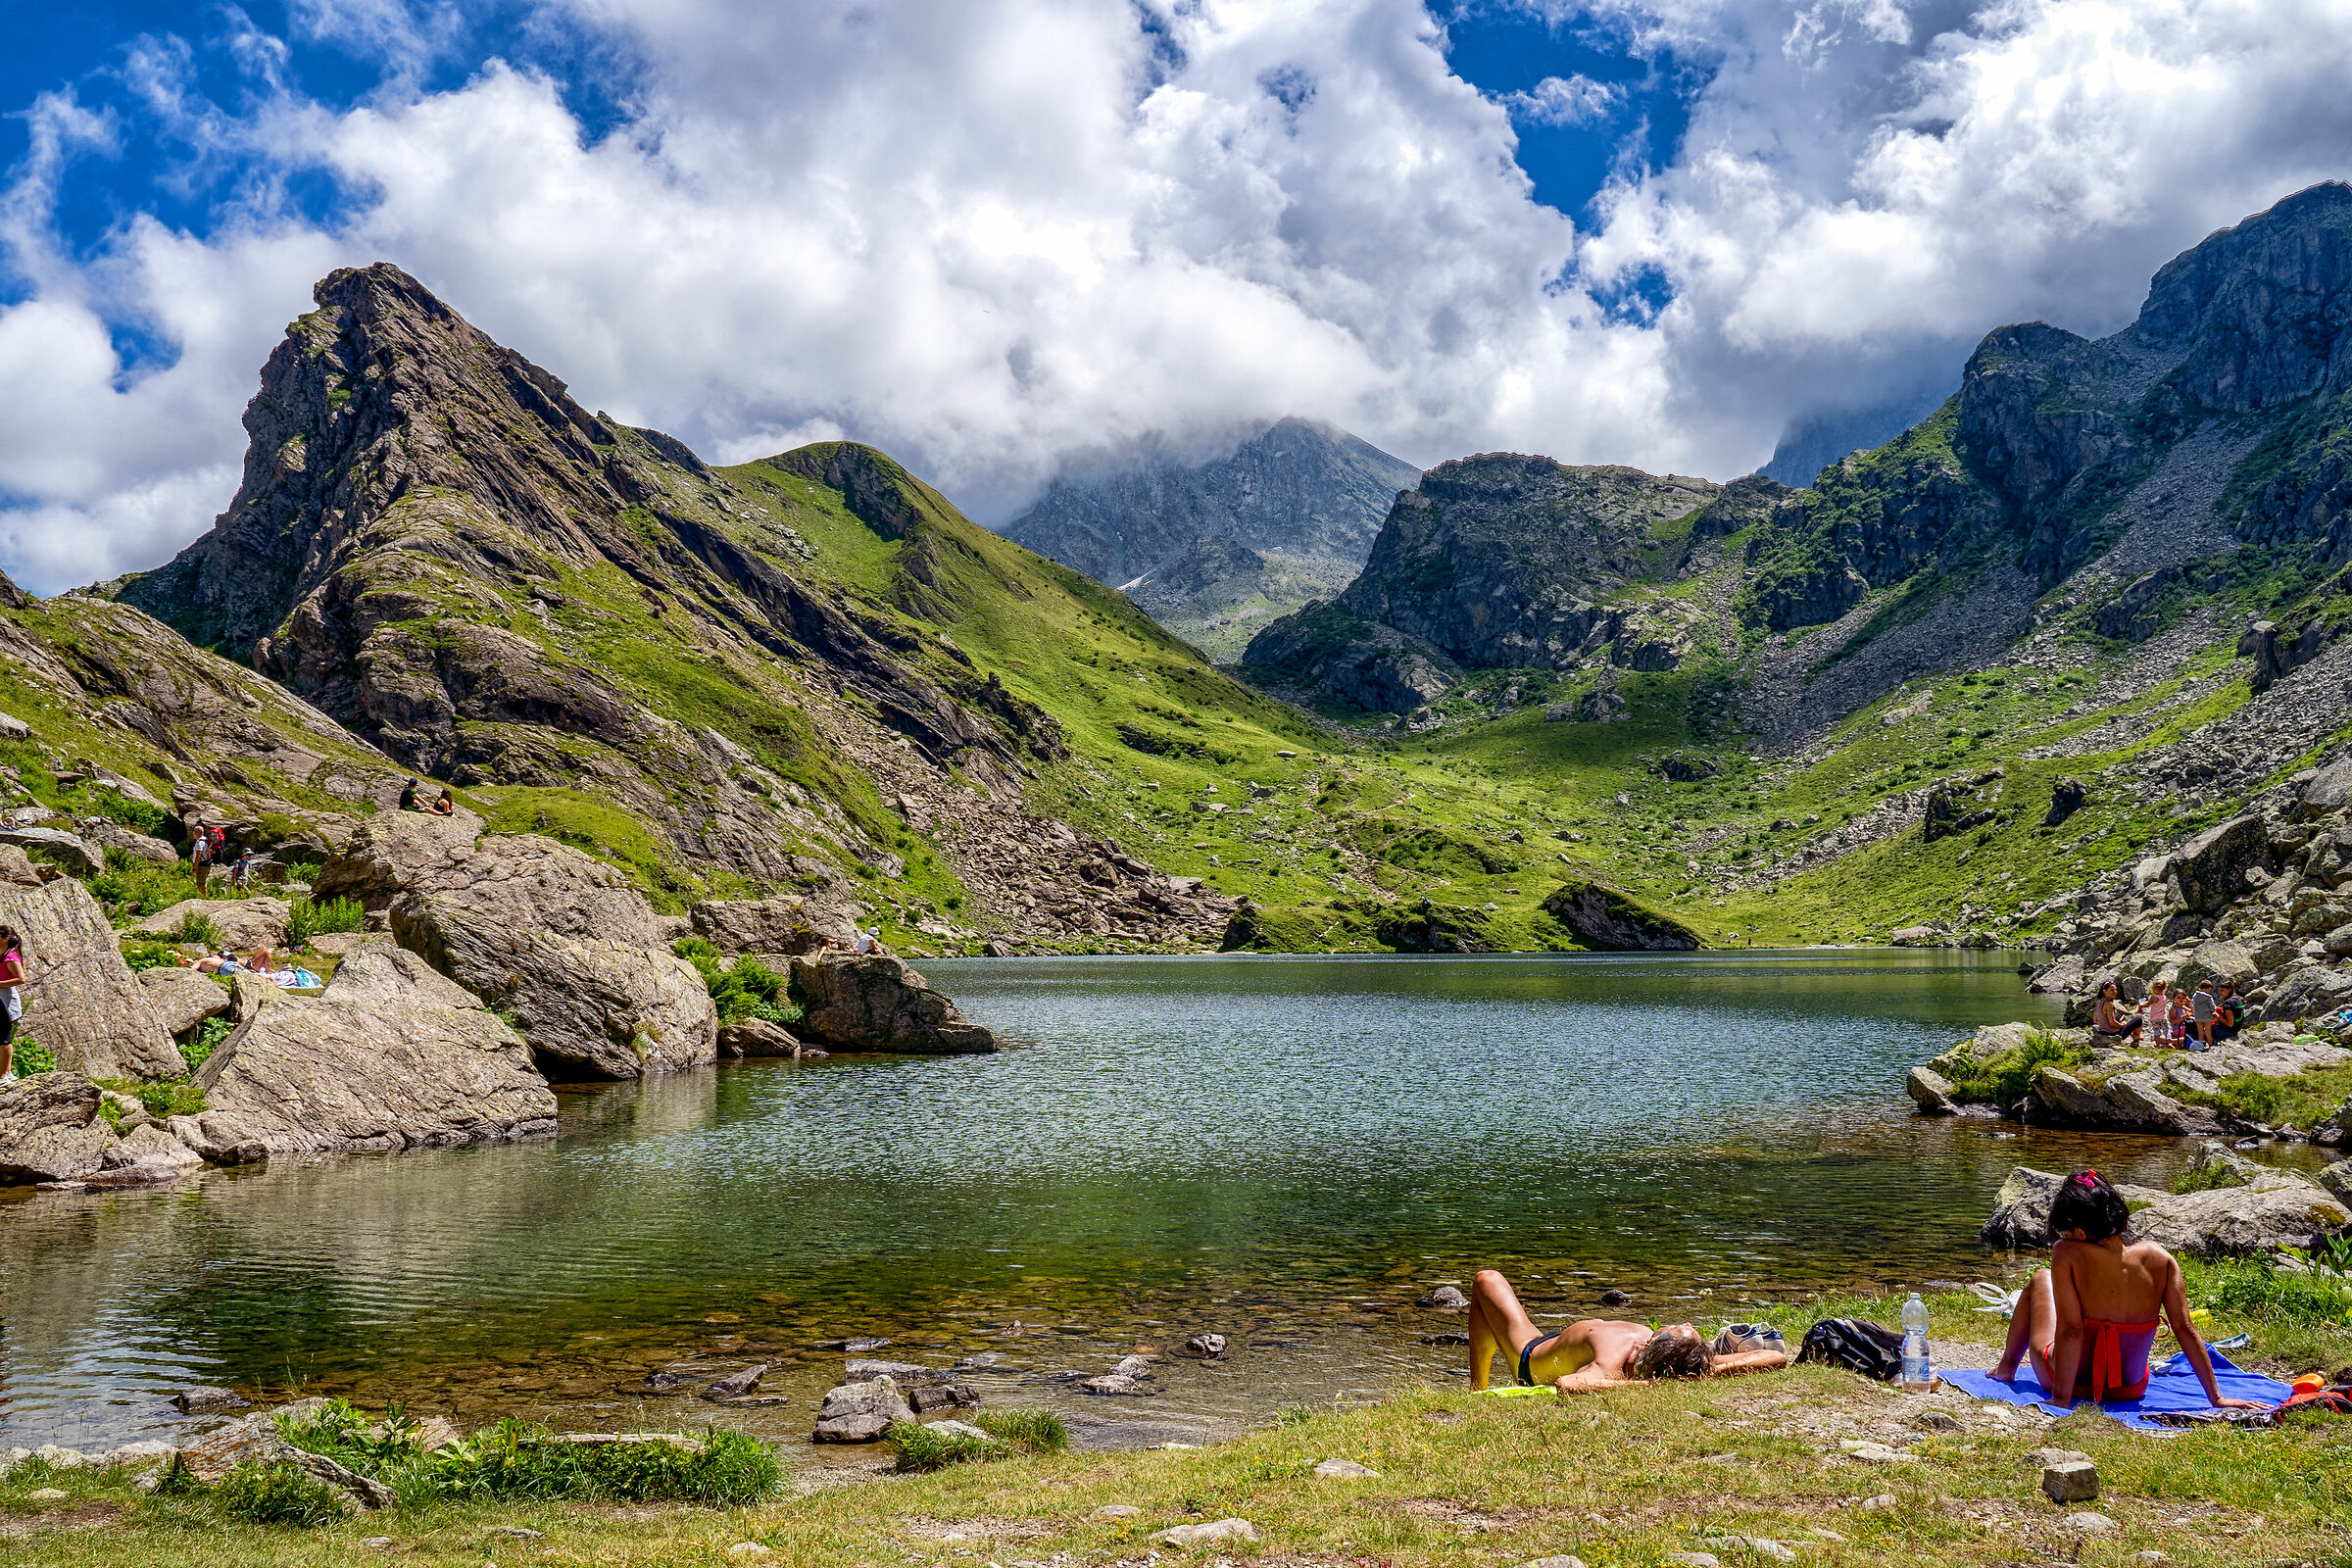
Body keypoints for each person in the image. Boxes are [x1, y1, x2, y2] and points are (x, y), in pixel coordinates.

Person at [1992, 1170, 2267, 1411]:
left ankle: (2006, 1368)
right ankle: (2009, 1369)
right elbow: (2185, 1329)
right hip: (2130, 1388)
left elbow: (2072, 1330)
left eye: (2065, 1231)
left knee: (2041, 1278)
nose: (2063, 1237)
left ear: (2078, 1231)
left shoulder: (2067, 1253)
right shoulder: (2160, 1258)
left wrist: (2061, 1399)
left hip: (2072, 1384)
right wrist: (2217, 1398)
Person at [1465, 1268, 1788, 1395]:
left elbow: (1568, 1384)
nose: (1687, 1325)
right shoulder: (1683, 1361)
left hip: (1530, 1354)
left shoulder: (1613, 1360)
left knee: (1486, 1280)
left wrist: (1644, 1386)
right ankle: (1477, 1388)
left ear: (1656, 1342)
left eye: (1680, 1329)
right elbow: (1773, 1357)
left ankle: (1476, 1391)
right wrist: (1708, 1372)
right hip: (1559, 1342)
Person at [0, 924, 22, 1079]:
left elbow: (21, 979)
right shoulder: (2, 954)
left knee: (3, 1038)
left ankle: (3, 1075)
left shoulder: (11, 957)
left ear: (6, 938)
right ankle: (7, 1073)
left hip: (5, 999)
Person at [2142, 978, 2173, 1045]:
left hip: (2155, 1018)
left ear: (2155, 988)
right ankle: (2165, 1043)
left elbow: (2147, 1005)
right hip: (2163, 1018)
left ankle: (2158, 1044)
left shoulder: (2154, 997)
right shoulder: (2164, 997)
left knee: (2157, 1032)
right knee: (2165, 1032)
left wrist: (2141, 1006)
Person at [2190, 978, 2217, 1052]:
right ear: (2209, 988)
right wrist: (2213, 1011)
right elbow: (2212, 1007)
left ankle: (2200, 1047)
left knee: (2200, 1033)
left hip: (2198, 1017)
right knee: (2208, 1033)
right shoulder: (2208, 997)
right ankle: (2211, 1046)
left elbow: (2193, 1004)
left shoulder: (2195, 996)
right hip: (2207, 1017)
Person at [191, 824, 213, 896]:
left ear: (197, 833)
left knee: (200, 884)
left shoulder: (199, 843)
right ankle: (204, 896)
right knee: (203, 882)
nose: (193, 833)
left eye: (194, 831)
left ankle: (204, 898)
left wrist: (194, 869)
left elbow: (198, 856)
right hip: (207, 863)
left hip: (201, 865)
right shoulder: (206, 840)